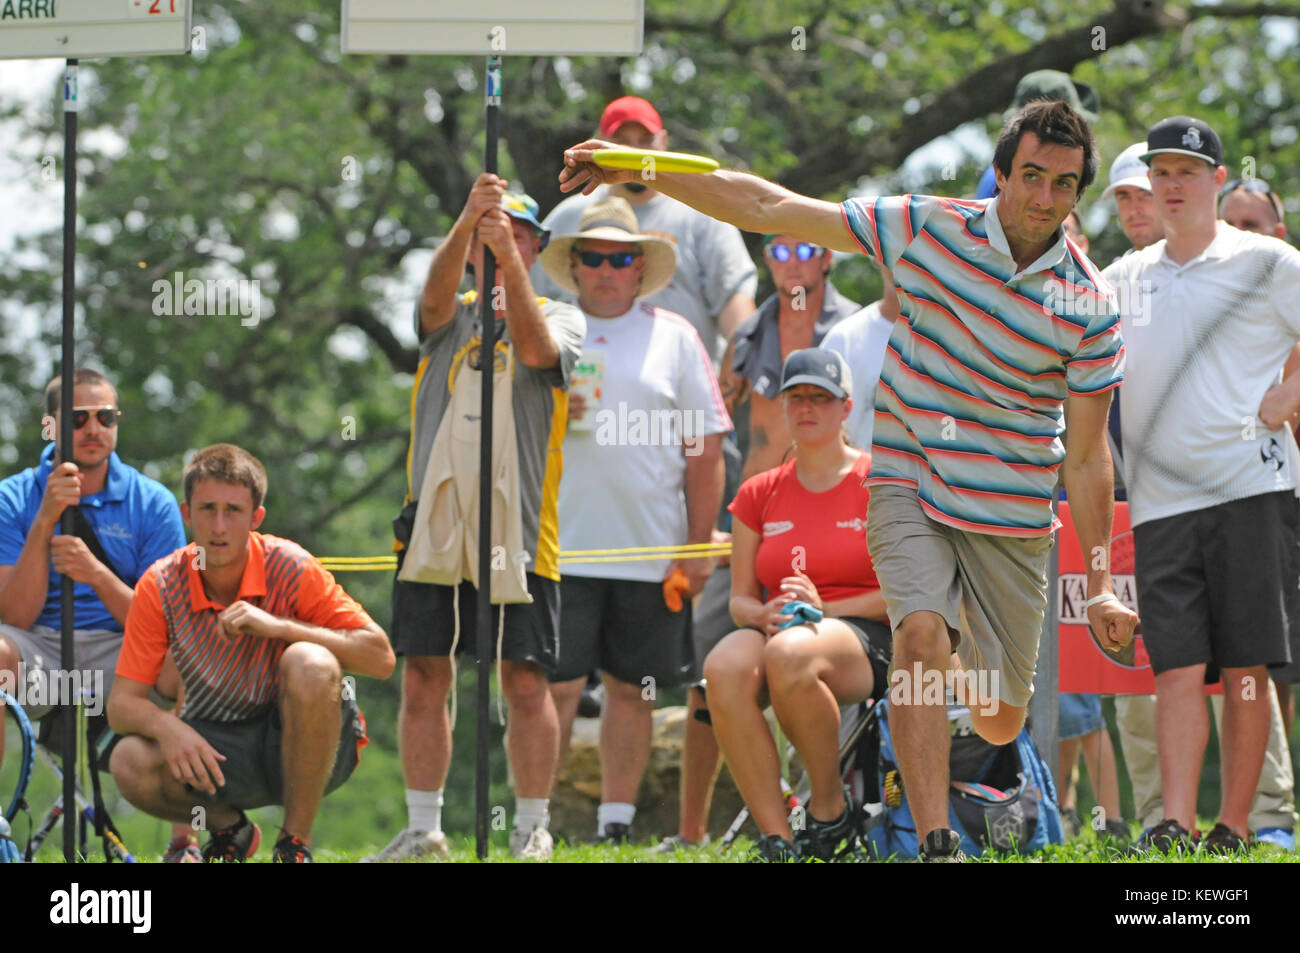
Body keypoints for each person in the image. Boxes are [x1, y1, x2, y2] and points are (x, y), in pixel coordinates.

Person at [561, 96, 1139, 861]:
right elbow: (770, 204)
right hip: (911, 482)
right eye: (1030, 175)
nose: (1042, 197)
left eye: (1062, 184)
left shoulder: (1089, 303)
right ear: (1000, 174)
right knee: (921, 634)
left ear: (1076, 195)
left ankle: (961, 670)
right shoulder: (926, 226)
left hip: (1013, 513)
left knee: (1001, 716)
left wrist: (1100, 579)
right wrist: (642, 169)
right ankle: (936, 840)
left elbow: (1090, 453)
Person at [367, 178, 585, 862]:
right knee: (426, 671)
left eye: (517, 235)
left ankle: (530, 827)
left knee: (525, 677)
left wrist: (507, 264)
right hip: (434, 527)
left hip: (518, 531)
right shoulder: (449, 315)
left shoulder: (563, 315)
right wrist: (467, 220)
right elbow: (427, 306)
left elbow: (536, 352)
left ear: (536, 248)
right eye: (494, 235)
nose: (501, 244)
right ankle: (425, 826)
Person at [1101, 117, 1300, 853]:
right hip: (1160, 504)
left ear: (1219, 179)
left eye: (1189, 171)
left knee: (1246, 666)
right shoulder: (1123, 279)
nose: (1173, 184)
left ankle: (1237, 825)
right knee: (1177, 666)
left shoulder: (1270, 261)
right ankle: (1176, 824)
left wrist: (1290, 394)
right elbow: (1062, 357)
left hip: (1253, 488)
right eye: (1162, 171)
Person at [648, 232, 859, 854]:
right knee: (706, 677)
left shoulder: (849, 329)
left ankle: (827, 805)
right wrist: (706, 521)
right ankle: (691, 831)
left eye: (806, 249)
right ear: (767, 259)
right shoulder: (745, 337)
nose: (792, 261)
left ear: (827, 257)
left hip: (839, 517)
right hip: (757, 517)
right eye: (779, 250)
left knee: (800, 660)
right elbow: (714, 426)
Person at [537, 196, 728, 843]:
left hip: (651, 551)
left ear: (640, 267)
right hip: (557, 547)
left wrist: (698, 548)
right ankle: (533, 825)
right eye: (593, 256)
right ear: (576, 264)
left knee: (634, 689)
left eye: (620, 257)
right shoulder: (547, 329)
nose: (606, 269)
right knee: (552, 691)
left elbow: (706, 452)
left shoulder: (676, 336)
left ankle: (615, 825)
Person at [107, 444, 394, 862]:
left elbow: (381, 659)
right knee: (128, 761)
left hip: (313, 746)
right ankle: (230, 829)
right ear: (187, 514)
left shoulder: (293, 566)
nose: (218, 526)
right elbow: (121, 705)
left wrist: (281, 628)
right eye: (207, 509)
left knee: (309, 662)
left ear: (256, 518)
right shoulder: (161, 584)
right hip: (220, 749)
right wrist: (170, 730)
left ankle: (294, 845)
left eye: (233, 511)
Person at [0, 369, 197, 862]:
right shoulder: (11, 498)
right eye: (78, 418)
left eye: (105, 417)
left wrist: (95, 574)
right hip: (40, 650)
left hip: (122, 653)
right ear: (51, 427)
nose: (93, 429)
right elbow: (14, 616)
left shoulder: (153, 503)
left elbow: (163, 626)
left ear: (117, 423)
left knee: (185, 666)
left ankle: (186, 841)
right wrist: (44, 519)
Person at [705, 348, 891, 862]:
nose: (806, 407)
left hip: (863, 633)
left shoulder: (880, 483)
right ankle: (778, 838)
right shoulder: (758, 492)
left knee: (789, 654)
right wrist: (759, 614)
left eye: (820, 398)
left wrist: (827, 612)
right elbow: (741, 599)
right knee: (720, 667)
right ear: (783, 407)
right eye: (796, 398)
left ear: (846, 407)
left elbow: (906, 597)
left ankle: (829, 812)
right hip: (778, 629)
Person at [531, 95, 757, 366]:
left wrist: (740, 370)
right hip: (583, 389)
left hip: (679, 387)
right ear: (600, 143)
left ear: (663, 141)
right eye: (622, 143)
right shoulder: (568, 218)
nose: (635, 154)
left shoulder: (701, 215)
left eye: (645, 141)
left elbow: (734, 299)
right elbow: (532, 302)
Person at [1052, 211, 1130, 844]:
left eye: (1073, 224)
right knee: (1043, 676)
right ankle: (1053, 808)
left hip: (1093, 505)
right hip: (1021, 504)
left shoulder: (1103, 307)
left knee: (1090, 672)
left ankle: (1112, 818)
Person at [821, 267, 901, 452]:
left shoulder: (960, 340)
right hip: (860, 480)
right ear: (875, 255)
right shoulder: (843, 340)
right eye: (894, 246)